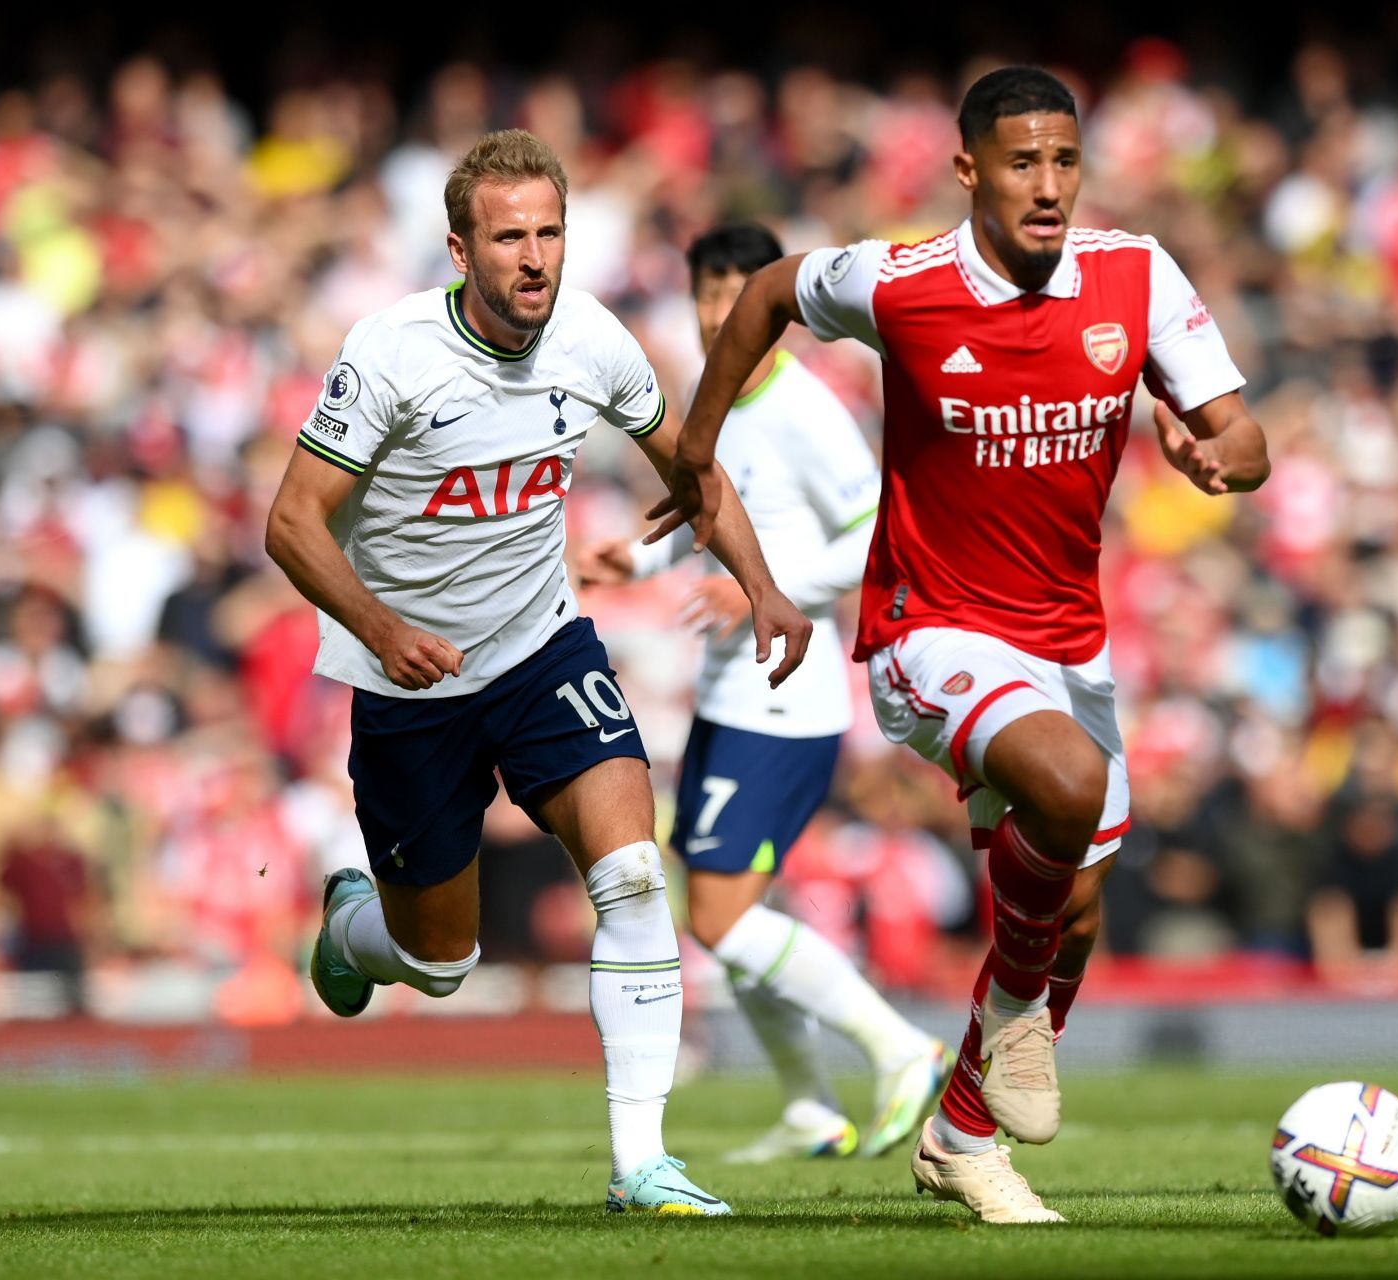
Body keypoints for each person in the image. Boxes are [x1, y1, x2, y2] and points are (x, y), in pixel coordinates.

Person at [646, 68, 1269, 1222]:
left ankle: (961, 1133)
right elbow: (772, 289)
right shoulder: (904, 282)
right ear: (971, 169)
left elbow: (1243, 425)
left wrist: (1226, 451)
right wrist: (698, 438)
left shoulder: (1136, 274)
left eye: (1066, 162)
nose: (1049, 185)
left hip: (1070, 644)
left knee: (1076, 908)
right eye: (1023, 162)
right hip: (925, 627)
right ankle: (1018, 1021)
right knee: (1068, 788)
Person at [263, 130, 810, 1217]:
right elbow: (291, 523)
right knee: (439, 962)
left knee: (635, 875)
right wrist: (378, 626)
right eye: (509, 236)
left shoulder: (593, 340)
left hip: (542, 649)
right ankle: (350, 925)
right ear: (459, 248)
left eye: (550, 232)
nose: (535, 257)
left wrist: (766, 585)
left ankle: (642, 1160)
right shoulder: (392, 353)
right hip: (413, 684)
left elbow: (691, 472)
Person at [580, 222, 945, 1164]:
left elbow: (876, 535)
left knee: (717, 918)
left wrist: (759, 588)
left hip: (785, 700)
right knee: (723, 906)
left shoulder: (807, 411)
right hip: (727, 695)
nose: (715, 312)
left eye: (735, 293)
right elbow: (705, 508)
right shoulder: (712, 404)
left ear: (771, 309)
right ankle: (811, 1106)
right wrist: (638, 552)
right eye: (704, 291)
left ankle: (899, 1047)